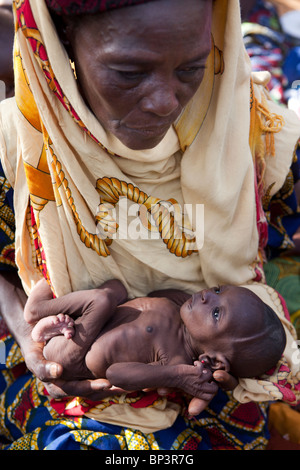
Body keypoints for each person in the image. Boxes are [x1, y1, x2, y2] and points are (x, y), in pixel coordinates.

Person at [0, 0, 299, 451]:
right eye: (128, 72)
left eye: (191, 68)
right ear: (65, 47)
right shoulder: (21, 143)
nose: (164, 101)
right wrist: (33, 345)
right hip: (55, 365)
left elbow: (285, 257)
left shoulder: (255, 129)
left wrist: (258, 335)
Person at [25, 278, 286, 419]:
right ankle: (49, 326)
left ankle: (36, 311)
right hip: (77, 331)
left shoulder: (176, 362)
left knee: (105, 298)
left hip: (72, 356)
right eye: (218, 289)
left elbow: (116, 374)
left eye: (216, 313)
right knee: (117, 287)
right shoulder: (181, 307)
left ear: (215, 361)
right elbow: (159, 292)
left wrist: (176, 376)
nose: (208, 295)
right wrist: (185, 305)